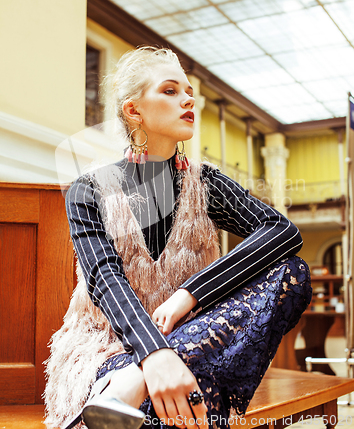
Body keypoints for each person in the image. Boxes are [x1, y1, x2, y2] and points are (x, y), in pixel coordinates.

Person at [44, 46, 312, 429]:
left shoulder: (205, 182)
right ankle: (128, 382)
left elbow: (282, 231)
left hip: (193, 342)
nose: (188, 99)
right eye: (170, 91)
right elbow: (104, 279)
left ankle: (128, 386)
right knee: (175, 402)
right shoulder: (89, 189)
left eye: (189, 92)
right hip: (107, 348)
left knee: (292, 272)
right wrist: (153, 352)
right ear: (134, 111)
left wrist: (190, 295)